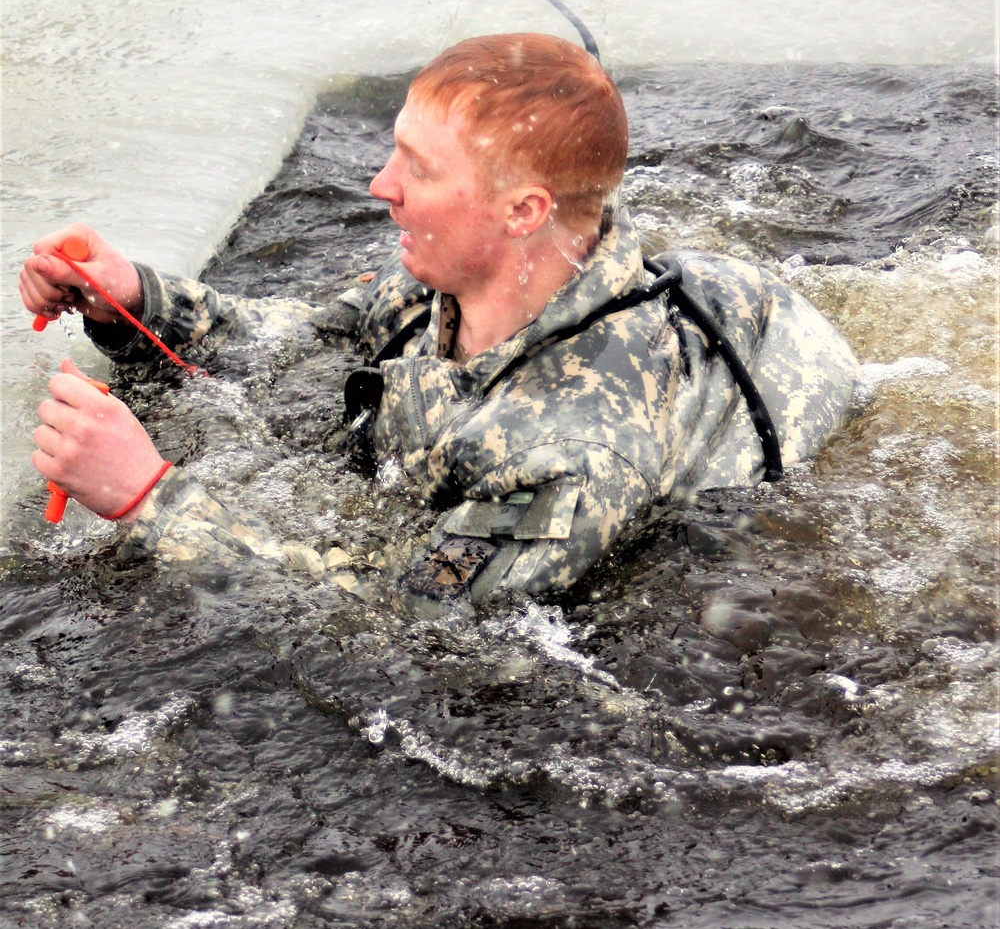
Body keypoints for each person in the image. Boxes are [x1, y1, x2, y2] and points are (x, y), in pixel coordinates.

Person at [20, 34, 860, 611]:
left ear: (523, 210)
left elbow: (409, 614)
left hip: (779, 380)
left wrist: (150, 497)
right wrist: (132, 298)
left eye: (416, 168)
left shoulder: (573, 456)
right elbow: (305, 346)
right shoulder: (463, 271)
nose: (380, 186)